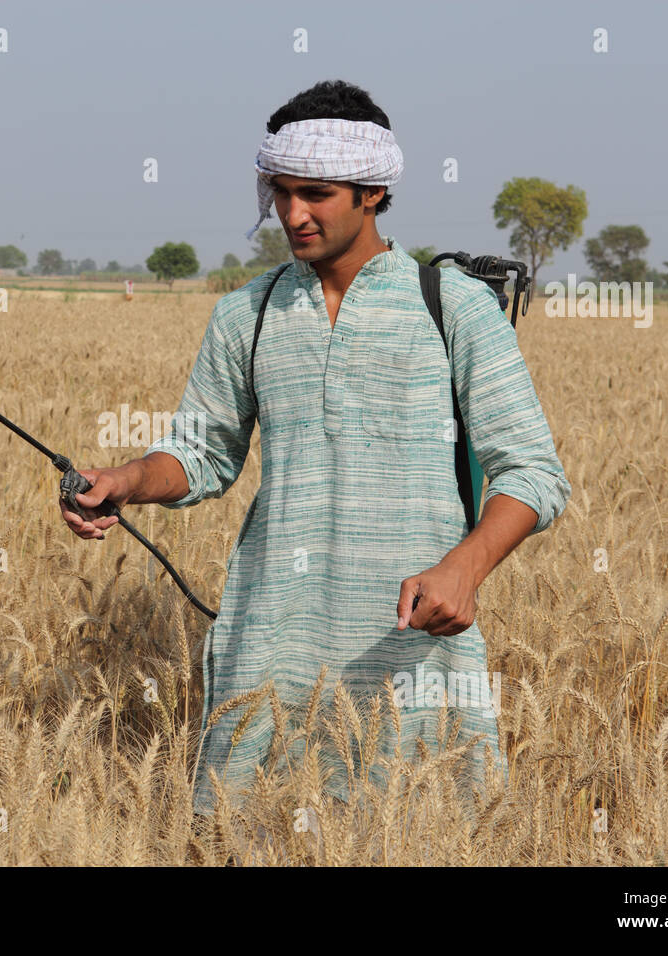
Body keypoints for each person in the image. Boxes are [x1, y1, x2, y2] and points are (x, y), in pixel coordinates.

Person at [58, 79, 571, 815]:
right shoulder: (250, 312)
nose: (292, 214)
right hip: (273, 640)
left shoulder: (451, 306)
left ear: (374, 193)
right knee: (247, 831)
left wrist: (465, 567)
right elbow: (201, 453)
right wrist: (126, 479)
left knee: (423, 830)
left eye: (316, 193)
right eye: (281, 192)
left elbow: (533, 472)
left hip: (414, 641)